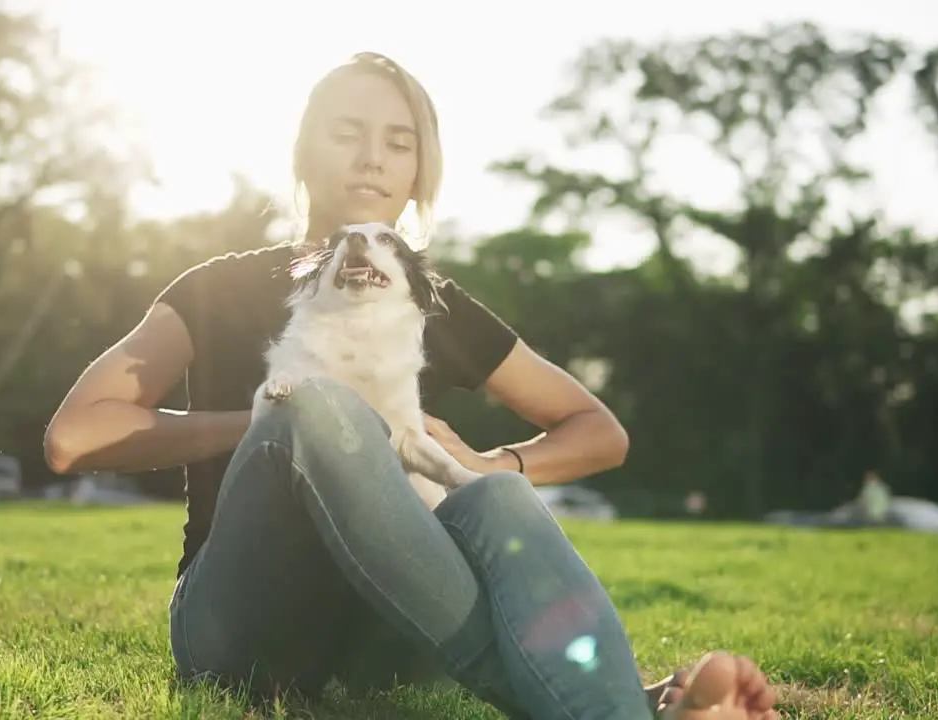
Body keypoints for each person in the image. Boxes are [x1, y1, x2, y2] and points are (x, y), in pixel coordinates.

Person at [43, 51, 779, 720]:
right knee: (318, 409)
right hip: (237, 631)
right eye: (347, 134)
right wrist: (274, 420)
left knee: (495, 497)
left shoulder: (437, 304)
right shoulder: (218, 287)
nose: (372, 159)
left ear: (421, 170)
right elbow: (74, 438)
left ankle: (625, 710)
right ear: (302, 151)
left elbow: (599, 431)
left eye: (399, 142)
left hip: (389, 634)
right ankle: (628, 710)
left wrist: (499, 464)